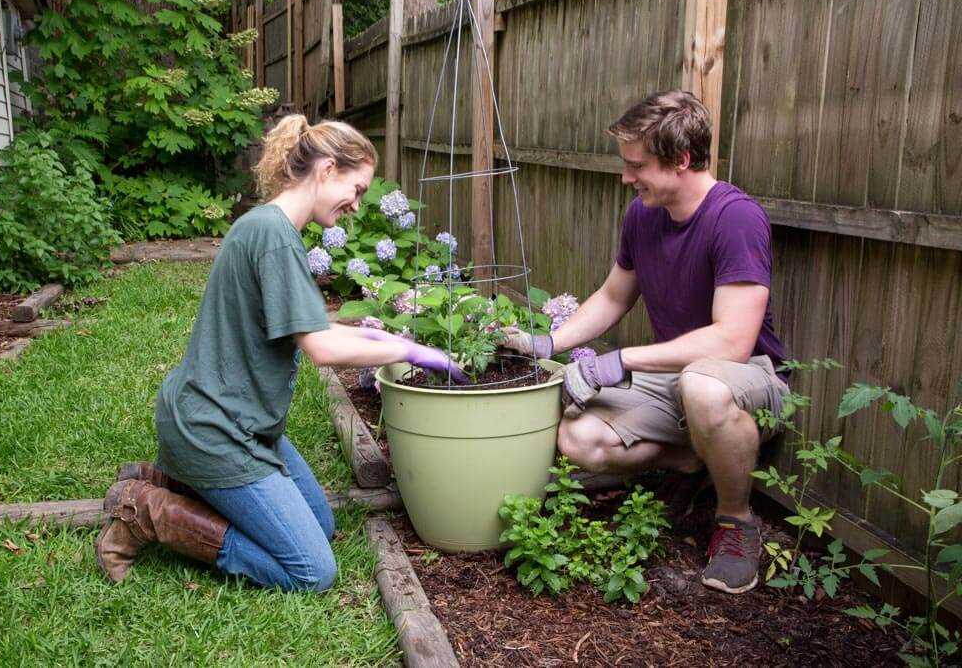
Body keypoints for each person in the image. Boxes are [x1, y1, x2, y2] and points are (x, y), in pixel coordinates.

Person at [95, 115, 464, 590]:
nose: (356, 204)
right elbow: (321, 348)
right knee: (312, 570)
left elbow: (310, 326)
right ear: (328, 169)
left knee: (322, 528)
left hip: (241, 422)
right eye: (356, 187)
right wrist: (409, 350)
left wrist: (377, 338)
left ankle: (172, 478)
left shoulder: (269, 228)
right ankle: (149, 512)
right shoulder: (273, 236)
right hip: (215, 429)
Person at [503, 91, 789, 595]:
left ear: (681, 160)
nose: (626, 177)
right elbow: (614, 297)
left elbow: (733, 340)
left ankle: (735, 521)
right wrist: (546, 343)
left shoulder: (735, 218)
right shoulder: (643, 215)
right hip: (677, 379)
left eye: (637, 165)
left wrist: (619, 361)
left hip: (748, 378)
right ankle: (696, 458)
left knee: (703, 386)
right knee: (577, 439)